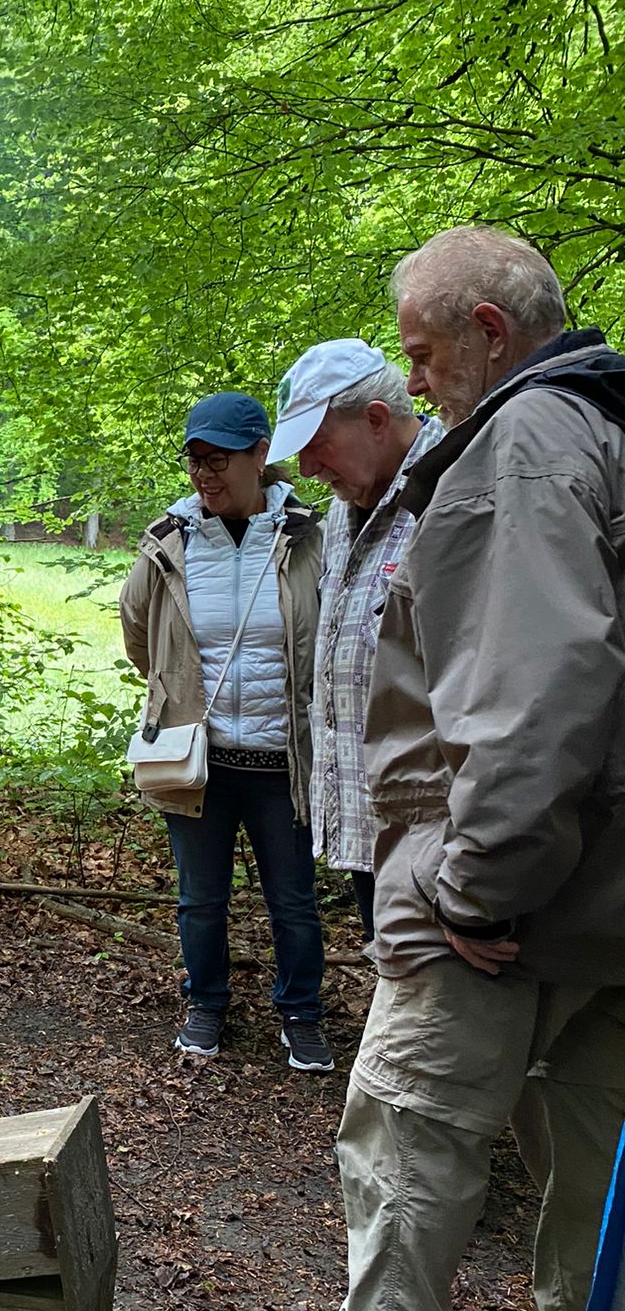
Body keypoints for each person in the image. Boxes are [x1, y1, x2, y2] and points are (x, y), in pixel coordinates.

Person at [226, 226, 625, 1311]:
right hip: (604, 888)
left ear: (488, 335)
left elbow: (534, 688)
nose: (421, 381)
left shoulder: (524, 448)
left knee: (408, 1117)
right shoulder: (607, 432)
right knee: (590, 1121)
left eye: (425, 355)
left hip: (514, 891)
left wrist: (475, 885)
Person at [119, 391, 331, 1072]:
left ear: (260, 454)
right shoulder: (170, 541)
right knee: (200, 900)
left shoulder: (306, 536)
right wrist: (177, 689)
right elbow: (138, 633)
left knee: (294, 903)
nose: (205, 474)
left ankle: (301, 1014)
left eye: (219, 460)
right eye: (195, 461)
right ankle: (206, 1003)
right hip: (198, 759)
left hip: (281, 757)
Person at [267, 338, 445, 943]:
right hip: (368, 830)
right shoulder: (345, 513)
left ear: (375, 419)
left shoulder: (451, 496)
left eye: (318, 446)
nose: (310, 469)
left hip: (441, 846)